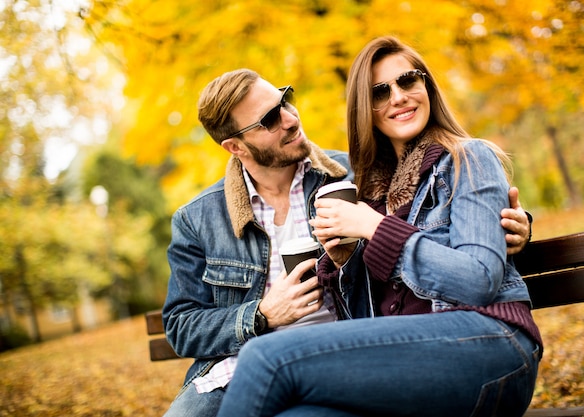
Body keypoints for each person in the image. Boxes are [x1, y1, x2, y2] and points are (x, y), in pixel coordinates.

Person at [163, 67, 531, 416]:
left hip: (348, 351)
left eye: (284, 100)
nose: (290, 119)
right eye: (269, 120)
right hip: (235, 366)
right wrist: (261, 316)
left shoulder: (356, 174)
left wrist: (517, 224)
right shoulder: (199, 218)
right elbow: (181, 324)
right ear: (236, 147)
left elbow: (432, 205)